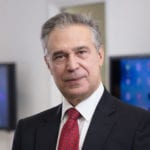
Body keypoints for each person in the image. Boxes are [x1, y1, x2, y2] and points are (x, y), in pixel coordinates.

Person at [12, 12, 150, 150]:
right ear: (48, 64)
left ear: (100, 55)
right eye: (60, 56)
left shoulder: (140, 125)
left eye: (81, 52)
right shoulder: (27, 131)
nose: (72, 66)